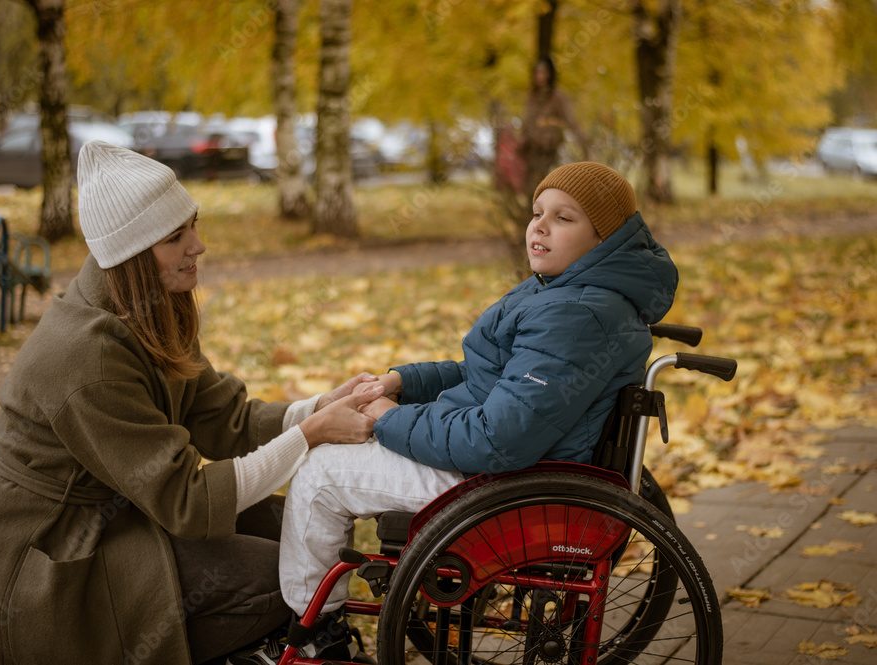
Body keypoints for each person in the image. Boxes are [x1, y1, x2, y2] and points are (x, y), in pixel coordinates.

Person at [0, 141, 383, 665]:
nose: (198, 246)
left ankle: (284, 643)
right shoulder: (89, 358)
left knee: (304, 529)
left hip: (123, 512)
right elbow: (191, 504)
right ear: (133, 254)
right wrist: (311, 434)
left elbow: (225, 420)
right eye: (176, 236)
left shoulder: (150, 308)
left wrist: (319, 406)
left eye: (193, 227)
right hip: (51, 555)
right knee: (286, 572)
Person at [278, 161, 679, 629]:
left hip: (505, 483)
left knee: (318, 475)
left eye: (564, 218)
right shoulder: (567, 292)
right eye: (537, 212)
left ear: (604, 239)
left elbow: (497, 440)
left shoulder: (576, 314)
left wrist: (387, 420)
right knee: (333, 453)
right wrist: (403, 384)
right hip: (503, 468)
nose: (540, 227)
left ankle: (312, 633)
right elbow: (490, 377)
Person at [519, 56, 591, 201]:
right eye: (537, 72)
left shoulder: (557, 97)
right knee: (532, 196)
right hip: (531, 153)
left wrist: (585, 147)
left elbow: (571, 122)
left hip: (550, 154)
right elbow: (526, 124)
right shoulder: (531, 97)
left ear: (550, 74)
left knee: (550, 193)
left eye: (543, 72)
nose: (540, 76)